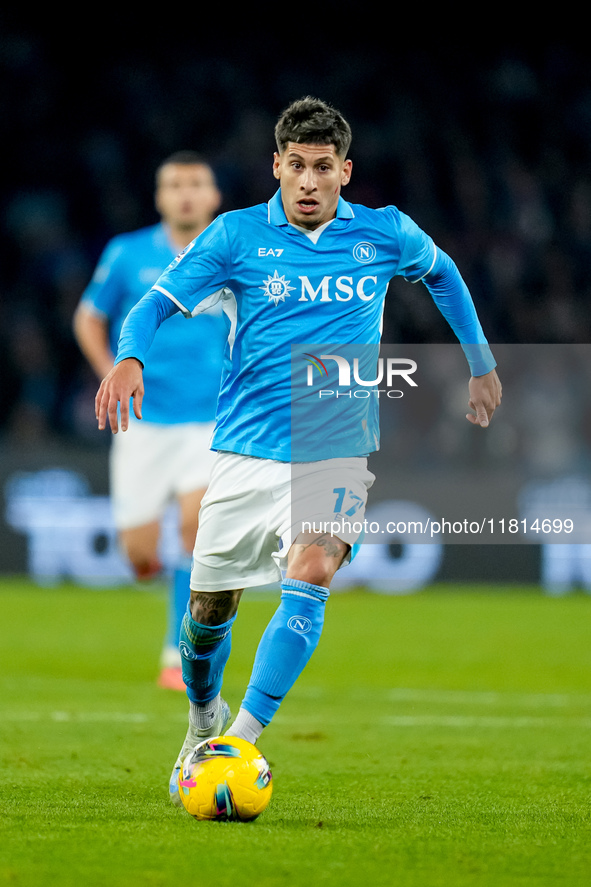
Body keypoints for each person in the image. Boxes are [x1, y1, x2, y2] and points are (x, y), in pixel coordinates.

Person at [94, 97, 502, 805]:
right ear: (275, 166)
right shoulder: (233, 237)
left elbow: (442, 272)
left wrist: (480, 361)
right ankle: (203, 716)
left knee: (313, 568)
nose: (308, 181)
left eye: (323, 167)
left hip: (334, 447)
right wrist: (129, 358)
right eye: (296, 166)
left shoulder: (384, 233)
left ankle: (239, 741)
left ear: (345, 171)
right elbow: (153, 303)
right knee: (206, 621)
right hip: (244, 453)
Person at [74, 151, 227, 691]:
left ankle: (177, 651)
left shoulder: (233, 253)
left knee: (196, 531)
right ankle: (161, 585)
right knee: (139, 556)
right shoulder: (127, 253)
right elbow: (89, 317)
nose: (186, 193)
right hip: (141, 422)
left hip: (212, 421)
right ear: (160, 197)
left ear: (213, 197)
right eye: (175, 185)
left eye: (196, 183)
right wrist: (110, 372)